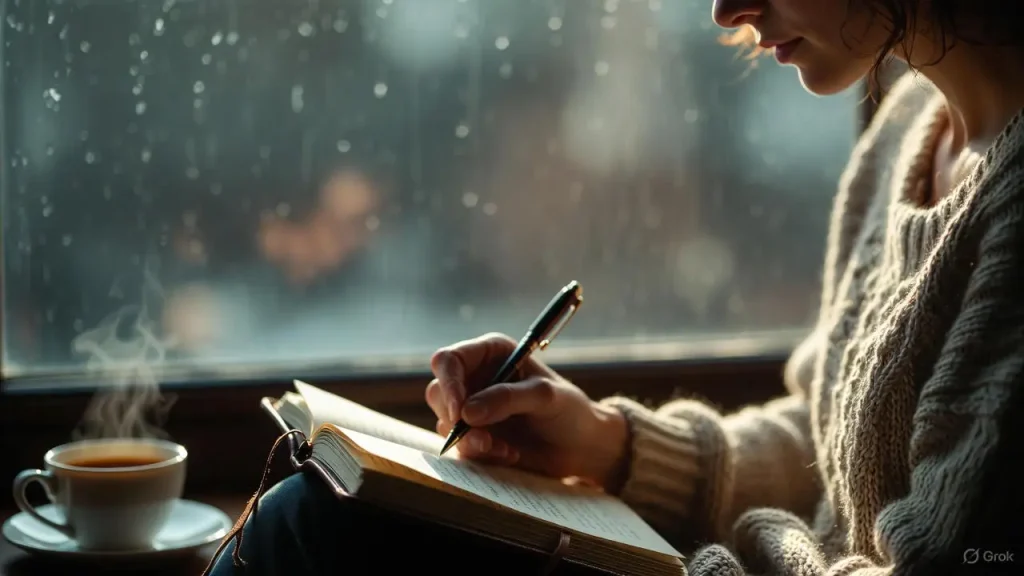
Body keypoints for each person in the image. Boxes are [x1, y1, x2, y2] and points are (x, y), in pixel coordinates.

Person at [205, 0, 1024, 574]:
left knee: (310, 532)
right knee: (312, 513)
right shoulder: (909, 130)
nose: (725, 9)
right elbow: (832, 454)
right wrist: (607, 445)